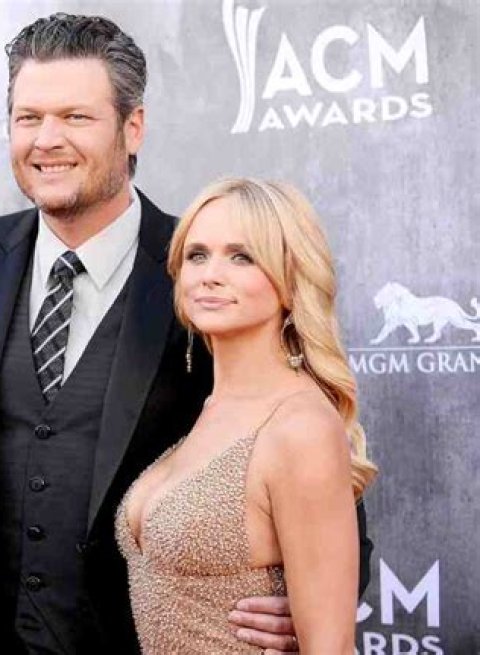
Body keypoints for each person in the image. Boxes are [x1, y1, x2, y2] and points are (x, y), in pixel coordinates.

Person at [0, 14, 373, 655]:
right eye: (28, 118)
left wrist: (306, 602)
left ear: (132, 127)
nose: (46, 140)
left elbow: (317, 470)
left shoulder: (199, 272)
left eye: (75, 117)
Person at [116, 177, 378, 653]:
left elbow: (331, 646)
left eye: (242, 257)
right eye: (197, 255)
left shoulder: (300, 427)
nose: (210, 275)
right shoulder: (205, 409)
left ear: (290, 279)